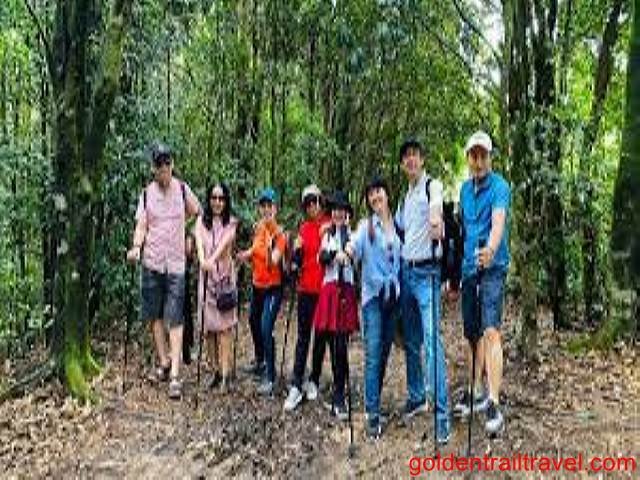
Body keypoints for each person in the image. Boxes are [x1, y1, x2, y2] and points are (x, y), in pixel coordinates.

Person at [126, 142, 200, 399]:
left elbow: (198, 213)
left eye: (167, 163)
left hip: (177, 263)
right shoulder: (146, 195)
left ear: (172, 164)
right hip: (152, 261)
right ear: (153, 167)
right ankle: (165, 361)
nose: (164, 168)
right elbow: (141, 225)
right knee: (153, 315)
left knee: (176, 317)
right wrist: (136, 247)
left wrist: (190, 236)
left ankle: (176, 375)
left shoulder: (182, 190)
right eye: (159, 164)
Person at [453, 131, 510, 436]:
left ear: (490, 157)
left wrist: (490, 248)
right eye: (473, 155)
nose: (478, 161)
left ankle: (493, 401)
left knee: (490, 331)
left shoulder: (500, 187)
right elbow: (463, 229)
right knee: (471, 333)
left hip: (492, 268)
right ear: (468, 158)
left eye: (483, 155)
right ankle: (475, 390)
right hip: (468, 269)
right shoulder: (464, 190)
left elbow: (498, 222)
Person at [394, 137, 450, 444]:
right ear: (403, 165)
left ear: (422, 160)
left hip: (428, 273)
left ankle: (442, 417)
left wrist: (436, 219)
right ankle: (417, 396)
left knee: (431, 342)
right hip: (406, 273)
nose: (411, 160)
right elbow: (396, 229)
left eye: (415, 155)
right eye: (406, 157)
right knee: (411, 340)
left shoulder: (433, 186)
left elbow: (436, 211)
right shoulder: (404, 197)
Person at [344, 176, 401, 439]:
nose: (375, 197)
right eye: (371, 194)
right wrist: (346, 252)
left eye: (379, 191)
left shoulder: (398, 225)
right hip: (372, 299)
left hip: (393, 298)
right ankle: (372, 415)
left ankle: (373, 399)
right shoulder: (366, 226)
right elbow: (354, 245)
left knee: (385, 352)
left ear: (387, 194)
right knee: (373, 353)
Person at [307, 191, 359, 420]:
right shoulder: (327, 235)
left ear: (347, 213)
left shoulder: (353, 235)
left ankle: (339, 394)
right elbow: (321, 257)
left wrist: (345, 252)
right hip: (328, 290)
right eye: (335, 209)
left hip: (345, 290)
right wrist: (332, 254)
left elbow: (353, 256)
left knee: (340, 343)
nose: (338, 213)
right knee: (320, 336)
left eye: (342, 210)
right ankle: (314, 378)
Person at [283, 185, 330, 412]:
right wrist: (295, 257)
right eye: (308, 203)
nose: (312, 206)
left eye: (315, 201)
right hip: (305, 290)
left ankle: (314, 379)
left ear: (321, 201)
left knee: (320, 336)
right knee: (303, 337)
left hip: (324, 290)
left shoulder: (329, 224)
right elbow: (297, 259)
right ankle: (296, 383)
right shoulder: (303, 228)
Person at [237, 188, 287, 396]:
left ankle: (271, 376)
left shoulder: (280, 234)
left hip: (273, 289)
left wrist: (269, 246)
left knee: (266, 327)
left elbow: (273, 261)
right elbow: (254, 249)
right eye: (263, 205)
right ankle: (260, 361)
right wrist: (244, 255)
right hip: (257, 286)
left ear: (275, 208)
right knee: (253, 321)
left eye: (269, 205)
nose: (266, 209)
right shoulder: (258, 228)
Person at [195, 182, 239, 393]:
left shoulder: (231, 223)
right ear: (209, 199)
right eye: (214, 197)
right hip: (206, 281)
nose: (217, 202)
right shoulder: (200, 222)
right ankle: (215, 371)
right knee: (209, 329)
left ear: (226, 201)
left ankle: (225, 374)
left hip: (224, 281)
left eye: (221, 198)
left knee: (224, 328)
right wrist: (203, 260)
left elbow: (224, 246)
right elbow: (198, 243)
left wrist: (210, 260)